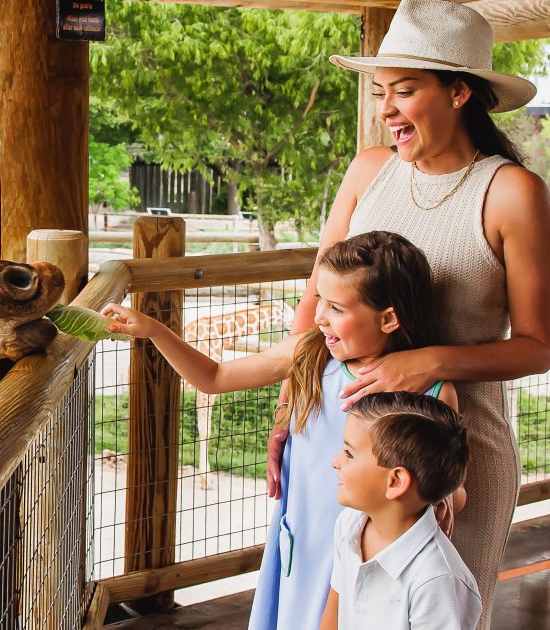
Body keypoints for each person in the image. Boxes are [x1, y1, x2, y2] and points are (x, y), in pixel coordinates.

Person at [267, 1, 550, 627]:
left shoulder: (512, 192)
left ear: (459, 92)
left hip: (454, 457)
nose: (385, 111)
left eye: (404, 91)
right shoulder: (369, 171)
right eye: (380, 93)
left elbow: (538, 347)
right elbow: (317, 299)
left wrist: (426, 361)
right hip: (349, 449)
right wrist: (291, 408)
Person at [102, 231, 460, 629]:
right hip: (303, 537)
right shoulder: (311, 352)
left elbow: (453, 485)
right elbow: (216, 376)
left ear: (389, 318)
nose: (319, 315)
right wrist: (154, 331)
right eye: (319, 299)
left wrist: (445, 500)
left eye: (337, 307)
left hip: (373, 553)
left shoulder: (433, 391)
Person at [320, 391, 479, 630]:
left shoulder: (436, 579)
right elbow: (332, 618)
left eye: (349, 453)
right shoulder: (349, 524)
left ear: (395, 481)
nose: (335, 460)